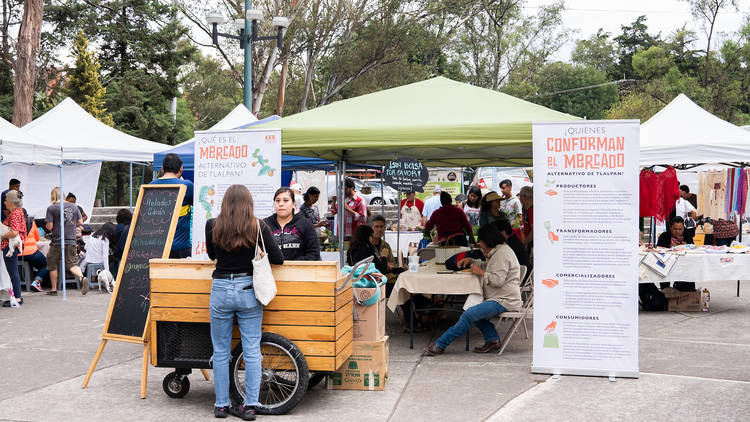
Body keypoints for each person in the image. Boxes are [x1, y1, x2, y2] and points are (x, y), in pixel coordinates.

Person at [205, 184, 284, 420]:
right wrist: (260, 254)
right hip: (249, 289)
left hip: (220, 288)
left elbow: (212, 255)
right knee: (252, 350)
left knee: (220, 351)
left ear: (225, 203)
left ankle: (221, 405)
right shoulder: (258, 226)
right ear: (249, 203)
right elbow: (278, 259)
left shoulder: (212, 225)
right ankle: (250, 405)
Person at [423, 224, 521, 356]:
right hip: (498, 297)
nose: (479, 243)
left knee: (469, 314)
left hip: (503, 300)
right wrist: (472, 261)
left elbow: (497, 280)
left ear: (488, 240)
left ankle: (440, 344)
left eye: (480, 241)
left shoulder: (502, 254)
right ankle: (492, 340)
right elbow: (490, 266)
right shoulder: (499, 251)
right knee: (471, 311)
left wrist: (480, 272)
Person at [45, 187, 87, 296]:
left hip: (57, 241)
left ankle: (54, 289)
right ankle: (82, 278)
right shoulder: (74, 206)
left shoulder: (51, 208)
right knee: (72, 264)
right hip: (71, 240)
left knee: (52, 264)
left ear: (53, 196)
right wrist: (70, 225)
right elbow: (80, 222)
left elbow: (50, 226)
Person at [150, 153, 193, 258]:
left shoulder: (150, 186)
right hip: (181, 247)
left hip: (156, 247)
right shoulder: (186, 185)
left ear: (162, 169)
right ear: (181, 169)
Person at [264, 187, 321, 261]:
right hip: (271, 271)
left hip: (299, 271)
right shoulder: (265, 225)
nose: (281, 204)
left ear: (294, 204)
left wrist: (292, 264)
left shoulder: (305, 224)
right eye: (277, 200)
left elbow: (314, 254)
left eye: (286, 200)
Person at [2, 191, 26, 306]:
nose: (4, 202)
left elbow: (14, 232)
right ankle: (16, 296)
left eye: (6, 200)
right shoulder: (18, 212)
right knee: (13, 272)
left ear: (11, 202)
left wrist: (3, 235)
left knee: (12, 272)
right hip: (12, 245)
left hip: (10, 245)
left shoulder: (15, 214)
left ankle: (17, 297)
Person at [20, 215, 48, 292]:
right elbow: (37, 238)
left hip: (17, 253)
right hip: (31, 252)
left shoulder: (12, 222)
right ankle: (37, 281)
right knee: (47, 264)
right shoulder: (31, 223)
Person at [518, 186, 533, 251]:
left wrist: (525, 242)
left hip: (531, 243)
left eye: (520, 196)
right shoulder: (529, 209)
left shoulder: (532, 210)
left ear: (524, 197)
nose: (519, 198)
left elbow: (534, 231)